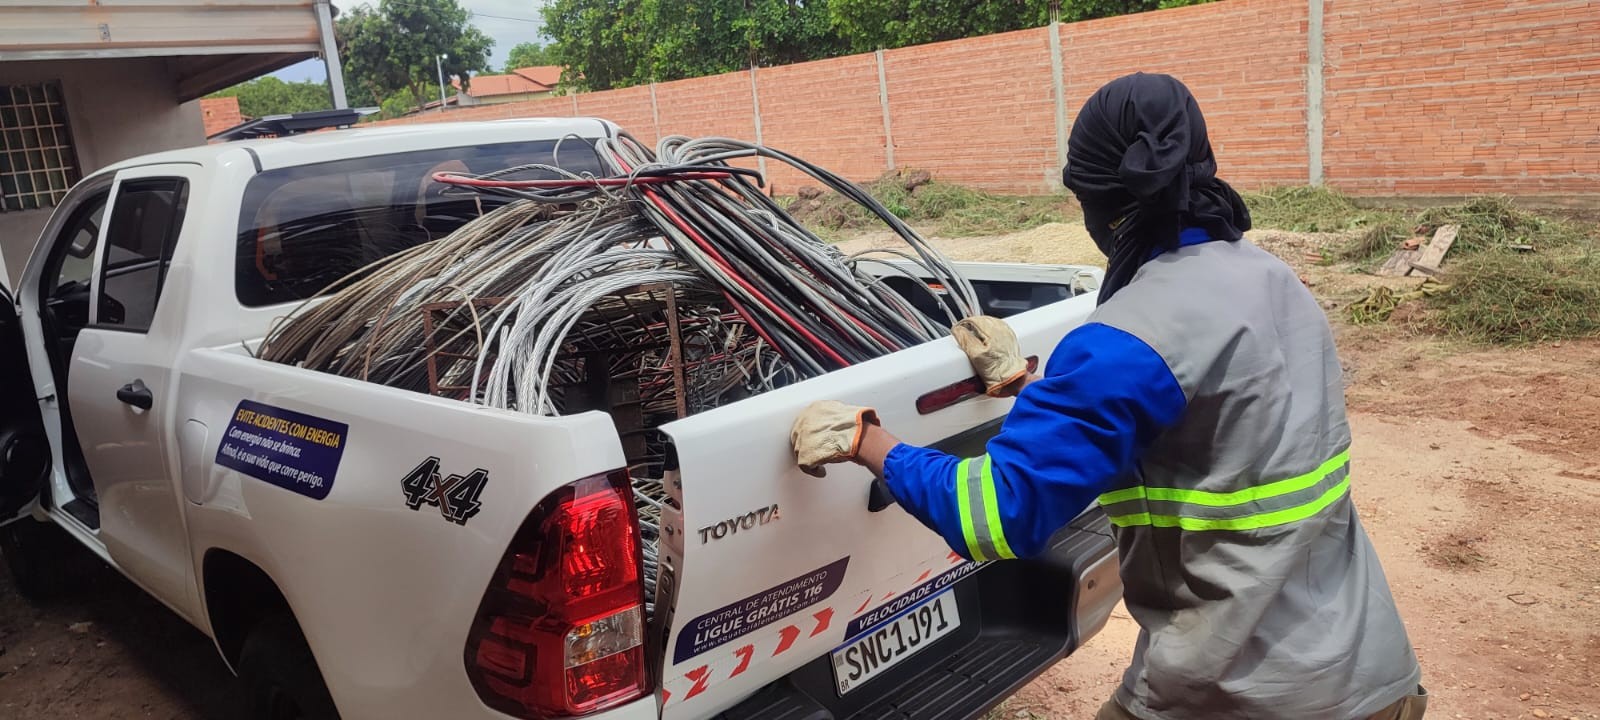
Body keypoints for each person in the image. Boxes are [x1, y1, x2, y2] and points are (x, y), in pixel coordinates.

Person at [789, 73, 1427, 720]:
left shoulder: (1124, 340)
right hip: (1371, 672)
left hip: (1243, 694)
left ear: (1101, 202)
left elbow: (996, 516)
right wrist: (1026, 389)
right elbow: (1185, 428)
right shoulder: (1274, 282)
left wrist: (867, 441)